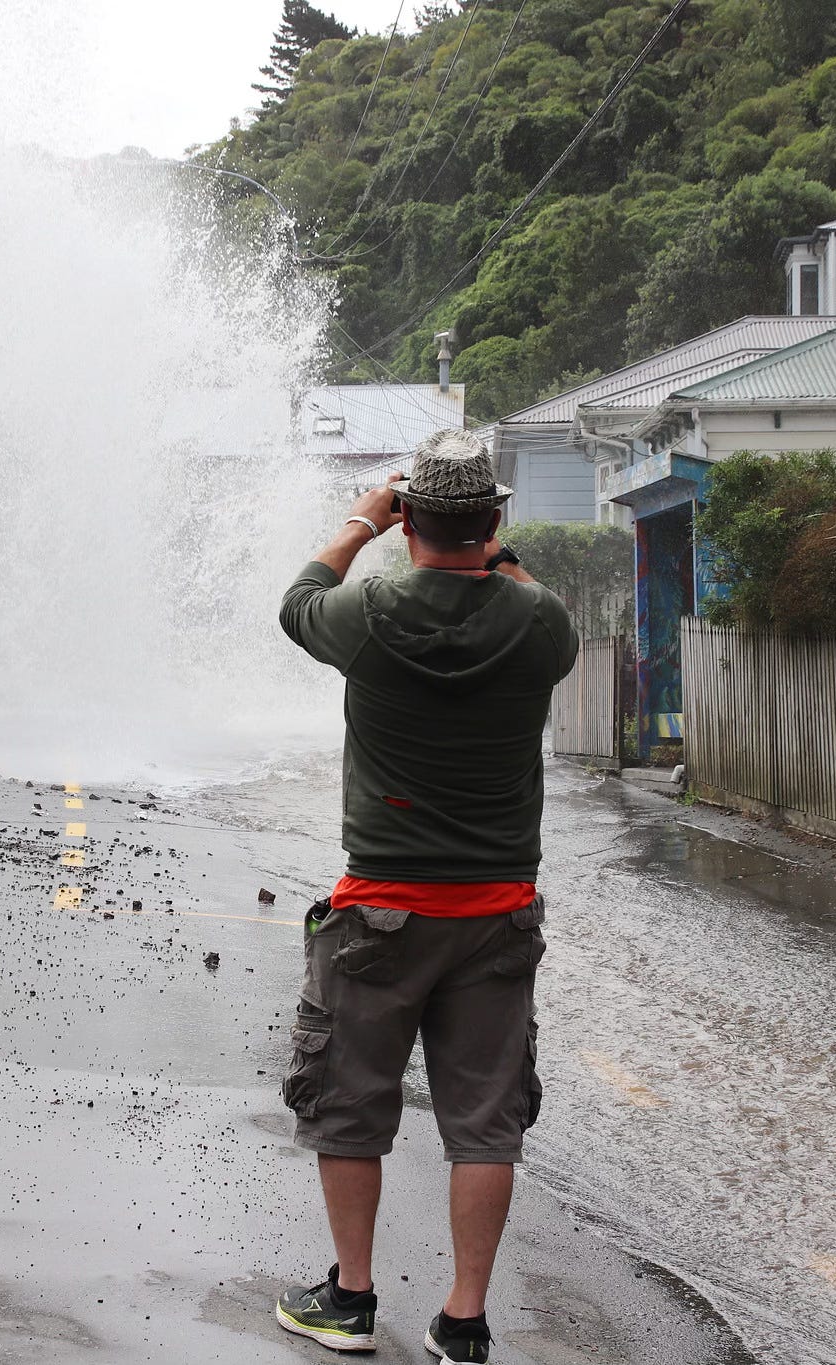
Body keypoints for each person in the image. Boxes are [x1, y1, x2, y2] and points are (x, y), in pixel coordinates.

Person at [273, 430, 578, 1362]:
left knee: (351, 1108)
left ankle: (353, 1300)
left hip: (379, 912)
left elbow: (297, 601)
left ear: (411, 524)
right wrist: (492, 547)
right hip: (494, 915)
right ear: (491, 524)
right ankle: (466, 1320)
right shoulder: (540, 624)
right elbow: (517, 587)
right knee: (484, 1122)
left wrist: (364, 518)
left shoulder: (365, 612)